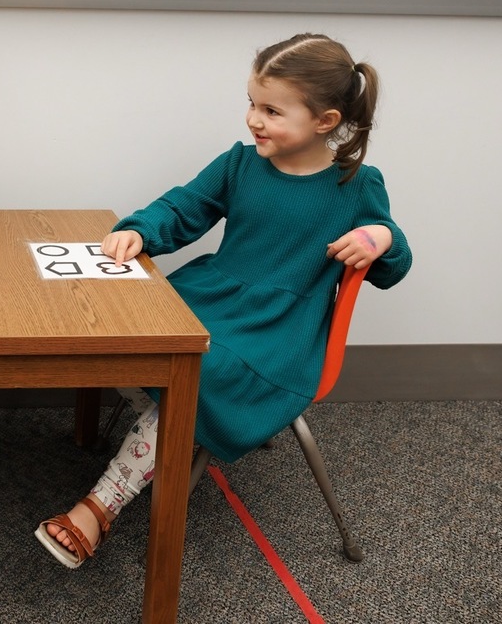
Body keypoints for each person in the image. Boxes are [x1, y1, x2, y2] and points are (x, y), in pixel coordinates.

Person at [34, 33, 412, 568]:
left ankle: (100, 505)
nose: (253, 119)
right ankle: (180, 424)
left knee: (194, 367)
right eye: (252, 103)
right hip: (213, 294)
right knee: (124, 323)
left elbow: (394, 265)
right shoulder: (240, 163)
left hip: (278, 330)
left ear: (324, 121)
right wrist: (142, 230)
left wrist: (382, 238)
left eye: (272, 110)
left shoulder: (357, 185)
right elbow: (186, 206)